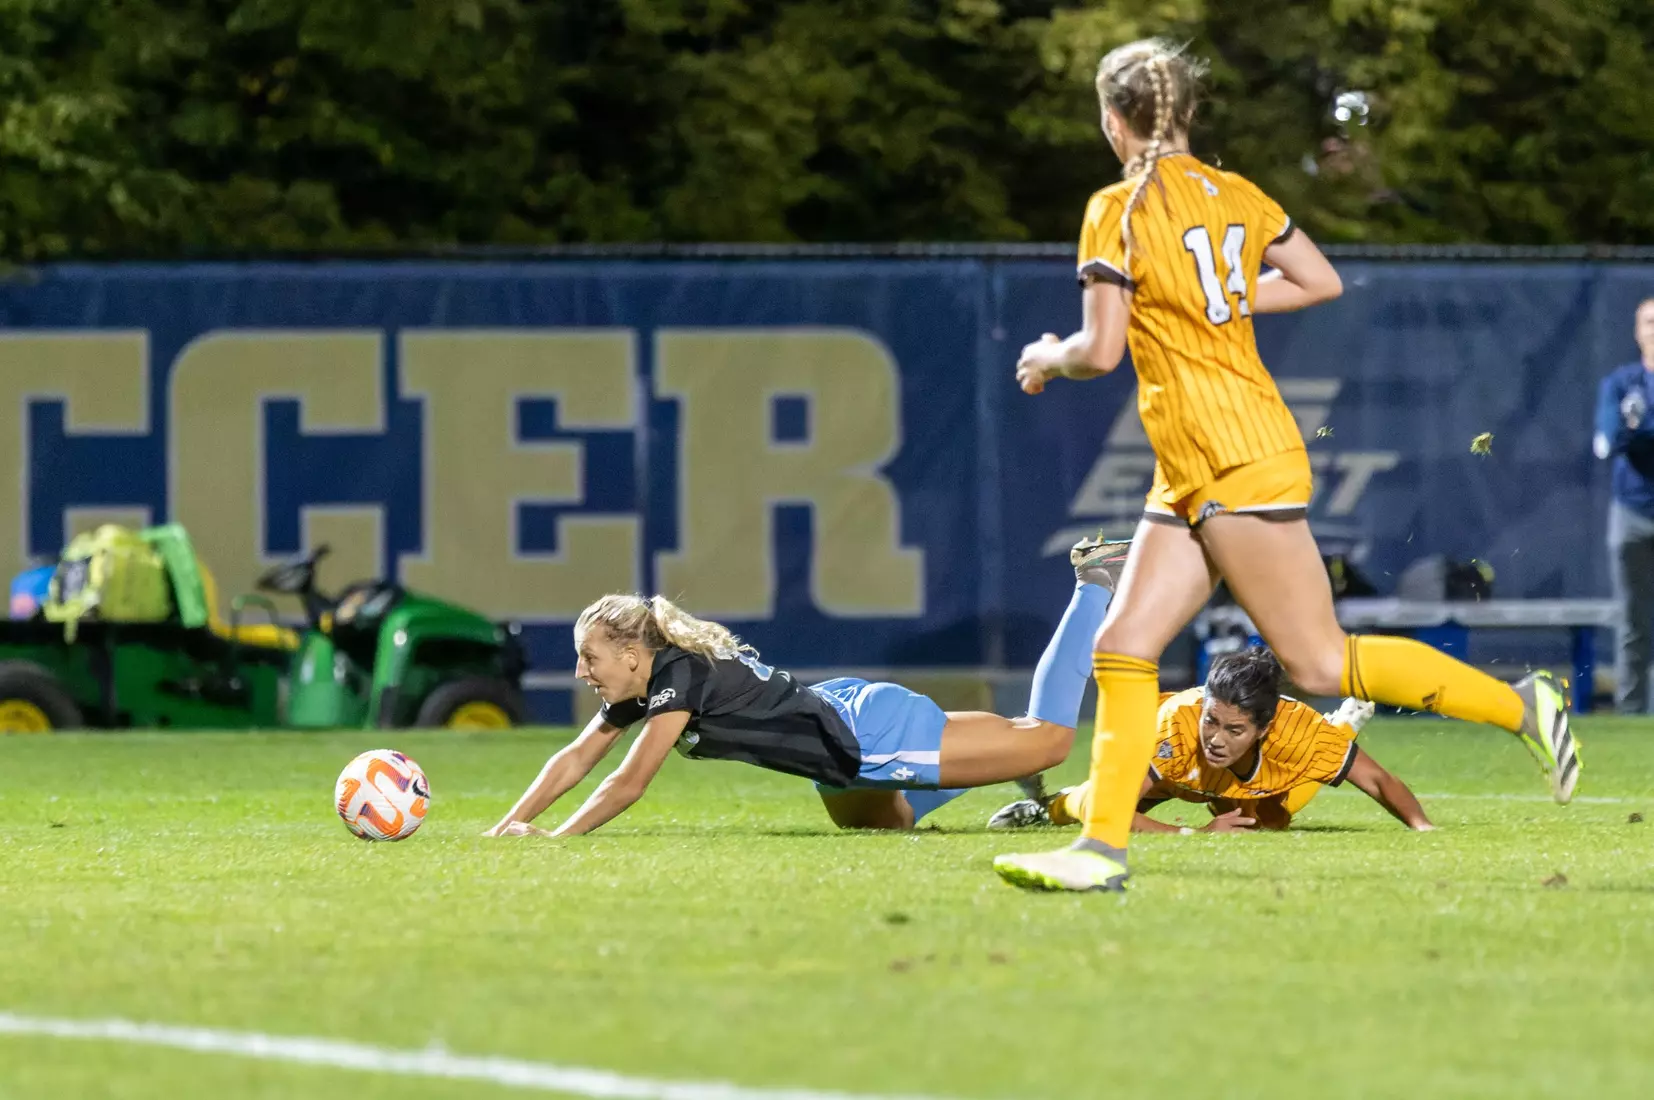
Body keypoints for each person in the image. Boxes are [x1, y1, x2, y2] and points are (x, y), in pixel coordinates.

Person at [992, 38, 1579, 895]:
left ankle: (1524, 703)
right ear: (1188, 113)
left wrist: (1050, 355)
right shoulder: (1235, 195)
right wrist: (1212, 302)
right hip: (1200, 461)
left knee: (1315, 661)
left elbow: (1104, 347)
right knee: (1124, 643)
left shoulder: (1117, 206)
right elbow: (1316, 280)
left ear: (1113, 120)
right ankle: (1100, 851)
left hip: (1230, 454)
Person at [484, 538, 1130, 838]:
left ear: (631, 653)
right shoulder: (646, 682)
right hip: (842, 748)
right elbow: (575, 757)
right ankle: (1002, 778)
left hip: (866, 737)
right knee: (888, 823)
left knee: (1044, 742)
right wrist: (506, 829)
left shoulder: (678, 676)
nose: (579, 672)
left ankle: (1093, 581)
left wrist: (556, 841)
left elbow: (628, 782)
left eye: (587, 657)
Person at [986, 647, 1434, 835]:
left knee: (1268, 825)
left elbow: (1378, 781)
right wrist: (1192, 833)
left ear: (1264, 728)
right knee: (1090, 806)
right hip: (1170, 769)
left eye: (1234, 729)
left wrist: (1424, 830)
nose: (1216, 739)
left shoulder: (1298, 731)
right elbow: (1112, 811)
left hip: (1236, 779)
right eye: (1212, 721)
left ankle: (1342, 730)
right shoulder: (1179, 723)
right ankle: (1044, 806)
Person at [1593, 296, 1654, 714]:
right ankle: (1631, 715)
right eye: (1649, 321)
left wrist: (1640, 429)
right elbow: (1608, 441)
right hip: (1631, 513)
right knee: (1632, 621)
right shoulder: (1622, 382)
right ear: (1636, 331)